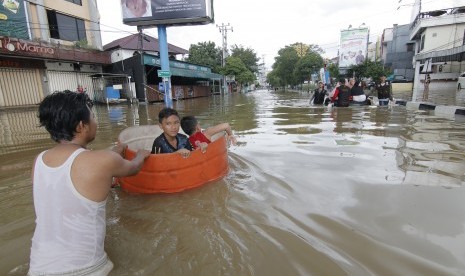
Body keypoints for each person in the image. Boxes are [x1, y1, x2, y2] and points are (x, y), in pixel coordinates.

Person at [29, 91, 150, 275]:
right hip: (85, 269)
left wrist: (116, 151)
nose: (95, 121)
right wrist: (141, 154)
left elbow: (85, 166)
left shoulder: (39, 160)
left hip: (38, 267)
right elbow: (133, 168)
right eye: (92, 117)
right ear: (81, 126)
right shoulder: (103, 160)